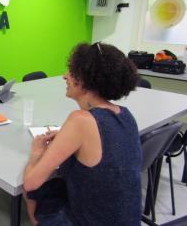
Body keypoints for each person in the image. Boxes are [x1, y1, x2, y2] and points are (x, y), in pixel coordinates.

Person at [23, 42, 142, 226]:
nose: (64, 76)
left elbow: (31, 183)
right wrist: (67, 137)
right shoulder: (126, 114)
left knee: (31, 193)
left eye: (70, 71)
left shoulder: (80, 120)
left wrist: (36, 155)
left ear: (86, 78)